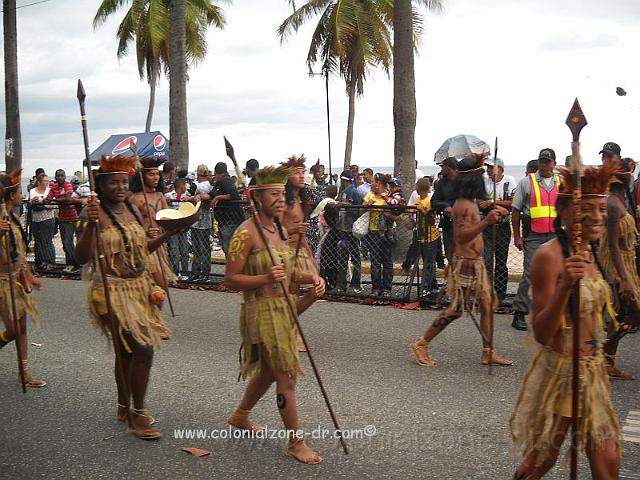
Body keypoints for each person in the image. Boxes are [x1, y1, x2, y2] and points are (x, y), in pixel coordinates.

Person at [510, 164, 620, 480]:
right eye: (587, 209)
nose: (598, 217)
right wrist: (564, 288)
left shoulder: (592, 253)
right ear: (565, 212)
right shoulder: (550, 255)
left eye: (601, 209)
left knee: (608, 462)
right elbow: (543, 333)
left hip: (593, 374)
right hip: (562, 374)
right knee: (539, 462)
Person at [224, 165, 325, 465]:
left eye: (282, 193)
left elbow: (287, 273)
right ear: (255, 198)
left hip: (283, 307)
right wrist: (264, 278)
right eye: (273, 194)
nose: (281, 199)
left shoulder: (278, 229)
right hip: (260, 312)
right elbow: (231, 279)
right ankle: (296, 442)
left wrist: (311, 281)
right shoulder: (245, 234)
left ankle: (240, 415)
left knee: (270, 372)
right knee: (287, 376)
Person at [75, 155, 175, 440]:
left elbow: (143, 249)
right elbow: (81, 257)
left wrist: (171, 231)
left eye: (123, 181)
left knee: (128, 352)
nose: (119, 187)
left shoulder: (131, 207)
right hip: (110, 290)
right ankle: (138, 413)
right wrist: (92, 226)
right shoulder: (93, 213)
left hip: (138, 288)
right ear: (102, 185)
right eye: (113, 182)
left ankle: (123, 406)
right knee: (143, 348)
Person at [409, 154, 513, 367]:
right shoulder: (463, 205)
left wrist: (495, 210)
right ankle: (421, 343)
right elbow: (461, 236)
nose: (484, 180)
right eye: (480, 176)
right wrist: (487, 222)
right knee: (455, 310)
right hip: (465, 263)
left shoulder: (472, 202)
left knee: (487, 304)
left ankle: (488, 351)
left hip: (477, 262)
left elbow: (480, 213)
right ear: (473, 181)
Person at [0, 169, 46, 387]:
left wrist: (29, 275)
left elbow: (17, 253)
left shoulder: (13, 218)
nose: (21, 195)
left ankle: (23, 372)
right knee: (14, 330)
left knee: (22, 327)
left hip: (16, 279)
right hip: (0, 281)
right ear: (10, 195)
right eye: (19, 192)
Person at [511, 148, 559, 331]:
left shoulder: (561, 183)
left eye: (548, 161)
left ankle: (550, 313)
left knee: (555, 275)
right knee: (530, 274)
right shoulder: (526, 182)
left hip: (556, 236)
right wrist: (517, 236)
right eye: (542, 161)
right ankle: (519, 313)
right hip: (533, 236)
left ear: (554, 163)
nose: (545, 165)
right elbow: (515, 212)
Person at [598, 174, 640, 380]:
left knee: (621, 315)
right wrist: (623, 278)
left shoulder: (620, 200)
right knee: (632, 313)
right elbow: (613, 246)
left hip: (626, 263)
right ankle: (601, 355)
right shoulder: (613, 204)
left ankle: (607, 361)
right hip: (619, 267)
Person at [129, 157, 176, 293]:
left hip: (159, 244)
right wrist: (144, 232)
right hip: (143, 246)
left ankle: (152, 313)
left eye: (157, 174)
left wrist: (178, 224)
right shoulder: (135, 198)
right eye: (151, 174)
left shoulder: (160, 196)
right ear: (142, 177)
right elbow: (130, 225)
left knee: (160, 289)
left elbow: (167, 219)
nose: (155, 177)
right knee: (148, 286)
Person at [480, 158, 516, 307]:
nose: (488, 170)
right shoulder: (485, 182)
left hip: (502, 227)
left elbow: (513, 203)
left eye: (491, 167)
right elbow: (478, 201)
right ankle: (487, 292)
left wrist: (493, 203)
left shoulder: (509, 181)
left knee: (501, 261)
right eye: (487, 168)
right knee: (486, 260)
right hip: (487, 226)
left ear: (500, 169)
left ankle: (500, 293)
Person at [363, 173, 395, 297]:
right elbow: (361, 210)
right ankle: (376, 288)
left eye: (373, 182)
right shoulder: (369, 195)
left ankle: (387, 288)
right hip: (373, 231)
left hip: (387, 232)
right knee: (375, 261)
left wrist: (388, 213)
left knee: (387, 261)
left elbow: (397, 213)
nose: (371, 184)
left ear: (379, 184)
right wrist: (367, 205)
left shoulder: (389, 196)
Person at [46, 169, 81, 273]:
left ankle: (74, 264)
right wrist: (47, 199)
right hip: (62, 217)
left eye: (62, 175)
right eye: (58, 176)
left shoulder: (68, 185)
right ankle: (69, 263)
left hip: (71, 217)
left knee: (68, 241)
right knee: (64, 242)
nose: (60, 177)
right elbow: (48, 198)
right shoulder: (54, 187)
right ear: (55, 177)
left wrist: (55, 200)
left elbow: (68, 198)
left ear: (65, 177)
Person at [412, 177, 440, 297]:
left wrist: (422, 211)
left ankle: (426, 286)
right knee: (427, 260)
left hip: (431, 235)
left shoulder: (429, 201)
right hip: (421, 234)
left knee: (429, 262)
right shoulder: (418, 199)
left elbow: (431, 220)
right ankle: (433, 285)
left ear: (420, 188)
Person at [335, 170, 362, 293]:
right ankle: (343, 283)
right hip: (344, 228)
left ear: (344, 180)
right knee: (344, 256)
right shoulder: (344, 191)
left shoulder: (353, 191)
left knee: (353, 256)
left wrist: (345, 206)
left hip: (351, 229)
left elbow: (358, 210)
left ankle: (354, 283)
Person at [211, 162, 243, 257]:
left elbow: (234, 195)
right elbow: (211, 194)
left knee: (230, 250)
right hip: (224, 221)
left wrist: (218, 198)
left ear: (216, 172)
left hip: (231, 221)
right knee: (227, 248)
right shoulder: (219, 183)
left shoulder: (226, 180)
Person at [431, 157, 458, 262]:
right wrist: (446, 206)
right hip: (448, 223)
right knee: (450, 254)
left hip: (463, 222)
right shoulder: (440, 183)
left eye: (442, 167)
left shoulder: (463, 181)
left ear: (448, 167)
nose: (441, 170)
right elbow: (434, 202)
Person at [190, 164, 214, 281]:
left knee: (198, 249)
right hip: (206, 221)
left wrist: (192, 198)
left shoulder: (200, 186)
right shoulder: (209, 185)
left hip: (198, 220)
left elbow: (202, 198)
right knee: (205, 249)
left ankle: (198, 273)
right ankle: (204, 273)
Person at [28, 173, 57, 272]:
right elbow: (30, 202)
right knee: (38, 241)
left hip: (47, 218)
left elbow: (54, 205)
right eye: (45, 181)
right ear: (39, 182)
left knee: (47, 241)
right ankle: (40, 261)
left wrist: (43, 203)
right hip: (36, 218)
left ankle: (50, 261)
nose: (47, 183)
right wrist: (34, 201)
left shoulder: (50, 191)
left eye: (47, 181)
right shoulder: (32, 191)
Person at [165, 178, 192, 279]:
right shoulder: (168, 196)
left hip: (184, 226)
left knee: (184, 250)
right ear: (180, 186)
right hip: (173, 227)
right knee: (174, 250)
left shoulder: (187, 196)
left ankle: (185, 272)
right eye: (184, 185)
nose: (186, 187)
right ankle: (175, 272)